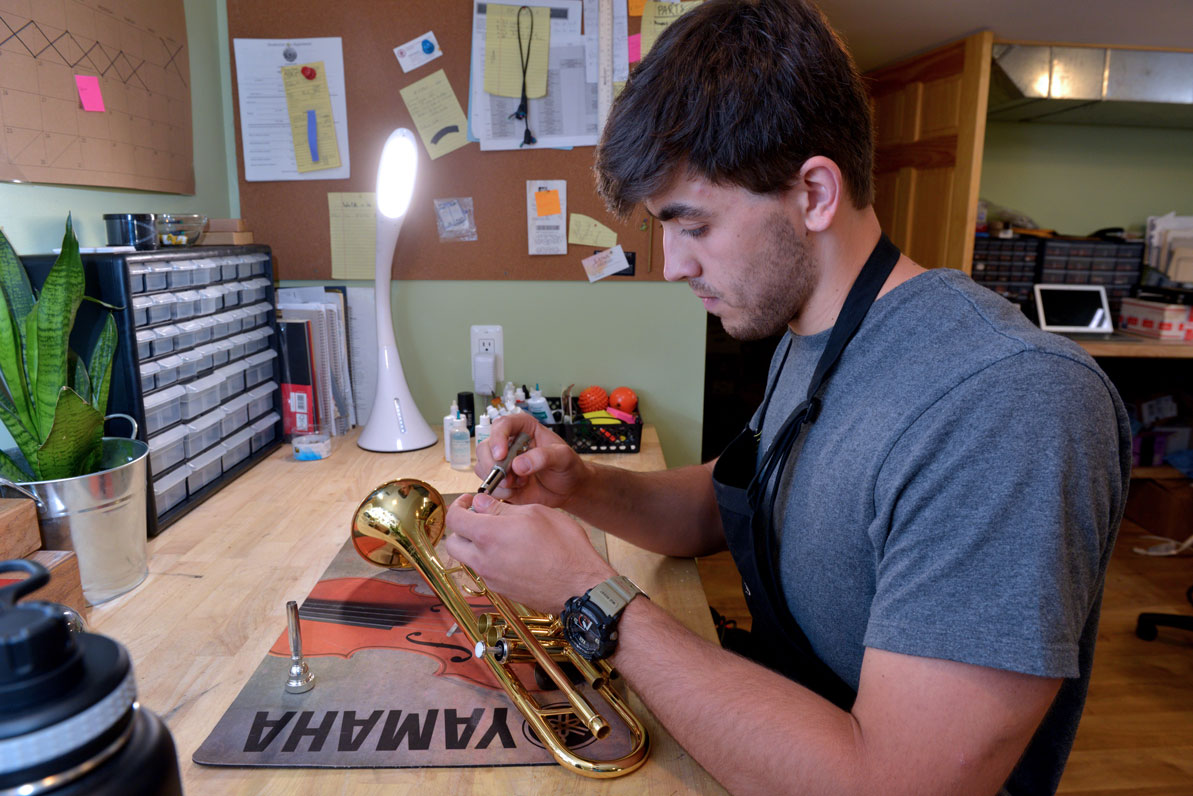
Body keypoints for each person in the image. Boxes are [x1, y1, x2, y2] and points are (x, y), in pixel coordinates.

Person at [444, 1, 1131, 793]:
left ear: (812, 194)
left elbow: (894, 786)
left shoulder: (1008, 407)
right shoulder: (810, 334)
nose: (670, 265)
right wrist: (582, 486)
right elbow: (739, 501)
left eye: (691, 225)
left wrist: (586, 597)